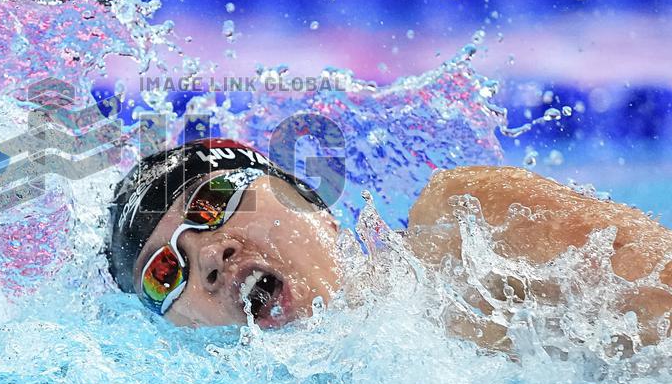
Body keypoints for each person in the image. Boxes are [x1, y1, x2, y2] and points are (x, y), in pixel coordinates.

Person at [104, 138, 672, 347]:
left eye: (214, 202)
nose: (206, 254)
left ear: (313, 204)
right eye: (163, 271)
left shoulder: (467, 231)